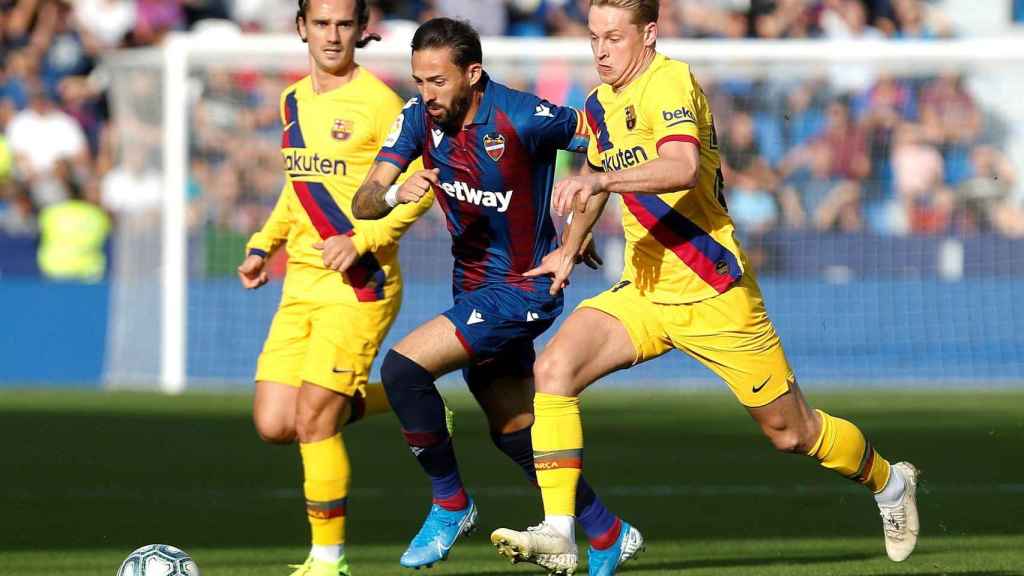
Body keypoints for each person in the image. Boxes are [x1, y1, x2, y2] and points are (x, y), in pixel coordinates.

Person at [491, 1, 920, 573]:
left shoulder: (669, 81)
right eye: (593, 37)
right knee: (553, 370)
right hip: (643, 288)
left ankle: (889, 482)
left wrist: (600, 179)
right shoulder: (597, 104)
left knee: (793, 434)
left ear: (648, 34)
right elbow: (596, 184)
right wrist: (567, 250)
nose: (599, 50)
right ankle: (560, 532)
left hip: (712, 289)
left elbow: (680, 166)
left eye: (613, 38)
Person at [351, 17, 643, 575]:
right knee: (514, 432)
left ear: (473, 73)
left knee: (403, 371)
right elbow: (364, 201)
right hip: (473, 285)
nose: (426, 93)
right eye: (419, 80)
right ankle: (607, 530)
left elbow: (609, 146)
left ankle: (450, 502)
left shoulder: (522, 116)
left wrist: (575, 235)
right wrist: (392, 191)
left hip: (526, 286)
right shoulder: (417, 120)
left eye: (438, 81)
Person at [236, 1, 432, 574]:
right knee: (276, 422)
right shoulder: (291, 100)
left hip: (360, 283)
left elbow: (418, 190)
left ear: (361, 29)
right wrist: (262, 243)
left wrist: (363, 239)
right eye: (321, 24)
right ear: (302, 28)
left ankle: (328, 560)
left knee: (315, 421)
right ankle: (403, 397)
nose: (333, 35)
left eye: (344, 24)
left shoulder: (383, 105)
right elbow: (297, 187)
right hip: (301, 281)